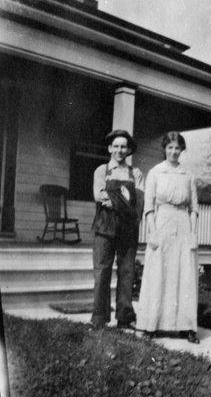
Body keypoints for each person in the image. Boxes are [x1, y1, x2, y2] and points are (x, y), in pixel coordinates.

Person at [136, 131, 200, 343]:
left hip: (182, 224)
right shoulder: (155, 173)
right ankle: (152, 325)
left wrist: (192, 233)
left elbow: (193, 208)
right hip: (162, 222)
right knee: (158, 272)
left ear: (182, 150)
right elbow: (148, 207)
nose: (173, 152)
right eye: (170, 147)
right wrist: (153, 231)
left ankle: (186, 327)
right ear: (164, 149)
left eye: (177, 148)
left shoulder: (188, 175)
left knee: (184, 275)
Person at [91, 130, 144, 330]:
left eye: (123, 146)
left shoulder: (136, 173)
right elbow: (99, 196)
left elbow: (138, 201)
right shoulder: (101, 171)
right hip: (104, 227)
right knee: (102, 271)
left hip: (128, 228)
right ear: (110, 148)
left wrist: (114, 199)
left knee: (127, 272)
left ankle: (124, 317)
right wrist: (124, 199)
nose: (120, 150)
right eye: (116, 146)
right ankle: (99, 318)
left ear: (128, 149)